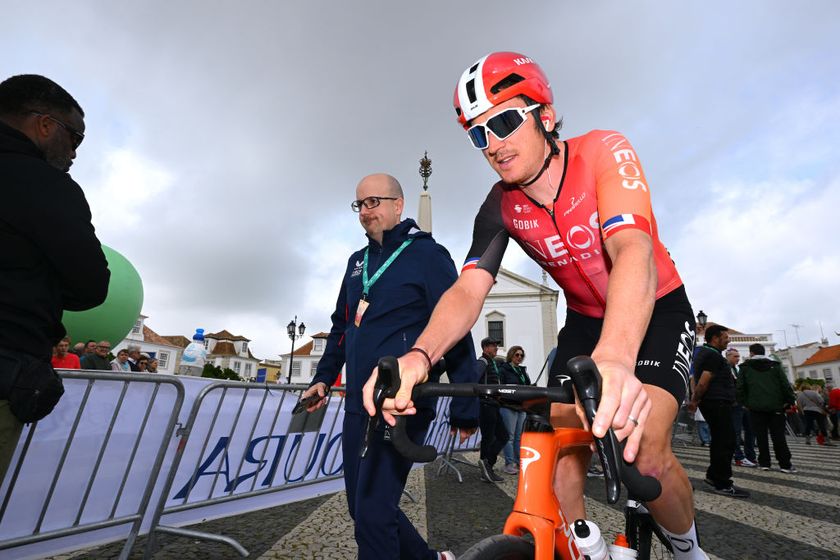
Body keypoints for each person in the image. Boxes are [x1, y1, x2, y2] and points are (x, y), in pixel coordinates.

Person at [364, 51, 707, 559]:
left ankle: (687, 550)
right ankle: (584, 547)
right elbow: (468, 290)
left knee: (642, 448)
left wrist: (615, 358)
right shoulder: (501, 204)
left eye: (504, 121)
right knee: (556, 452)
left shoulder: (602, 151)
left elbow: (631, 248)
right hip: (586, 322)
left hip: (655, 307)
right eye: (479, 135)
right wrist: (419, 356)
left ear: (544, 117)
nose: (494, 145)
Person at [299, 173, 476, 560]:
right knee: (361, 509)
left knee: (374, 513)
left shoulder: (428, 255)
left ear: (398, 205)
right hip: (356, 405)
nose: (365, 212)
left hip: (403, 403)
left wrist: (467, 404)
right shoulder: (355, 263)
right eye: (359, 204)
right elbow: (342, 327)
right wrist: (323, 379)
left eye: (374, 202)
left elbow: (456, 326)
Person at [0, 74, 109, 483]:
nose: (76, 152)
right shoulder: (44, 185)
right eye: (76, 137)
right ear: (44, 125)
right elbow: (91, 284)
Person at [688, 325, 749, 498]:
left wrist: (696, 398)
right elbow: (703, 382)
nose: (728, 340)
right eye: (725, 337)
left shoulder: (705, 354)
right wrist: (694, 400)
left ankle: (713, 476)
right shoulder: (712, 356)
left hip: (715, 402)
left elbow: (694, 378)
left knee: (720, 441)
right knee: (726, 441)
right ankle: (722, 482)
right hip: (717, 402)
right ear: (715, 338)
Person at [736, 343, 797, 472]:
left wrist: (745, 403)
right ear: (764, 352)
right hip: (776, 407)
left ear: (751, 353)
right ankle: (785, 464)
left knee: (760, 436)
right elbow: (785, 385)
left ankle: (764, 463)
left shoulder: (745, 367)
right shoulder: (775, 366)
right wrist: (789, 401)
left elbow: (740, 388)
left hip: (755, 407)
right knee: (779, 436)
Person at [476, 336, 507, 482]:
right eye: (493, 345)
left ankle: (487, 463)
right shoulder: (482, 362)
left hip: (494, 404)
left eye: (496, 345)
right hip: (486, 404)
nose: (496, 348)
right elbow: (475, 378)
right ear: (485, 348)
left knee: (503, 436)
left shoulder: (493, 363)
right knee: (488, 437)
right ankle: (486, 467)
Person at [499, 345, 531, 474]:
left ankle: (518, 462)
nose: (519, 357)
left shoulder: (522, 371)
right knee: (510, 437)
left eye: (521, 355)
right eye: (517, 355)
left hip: (521, 406)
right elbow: (501, 387)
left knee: (519, 437)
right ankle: (509, 463)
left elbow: (527, 385)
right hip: (508, 406)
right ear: (511, 355)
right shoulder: (504, 370)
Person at [727, 348, 756, 468]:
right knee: (736, 431)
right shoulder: (726, 369)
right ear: (728, 356)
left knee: (750, 430)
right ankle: (738, 456)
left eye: (738, 356)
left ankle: (750, 456)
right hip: (735, 404)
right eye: (735, 356)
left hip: (744, 404)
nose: (738, 359)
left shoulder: (737, 369)